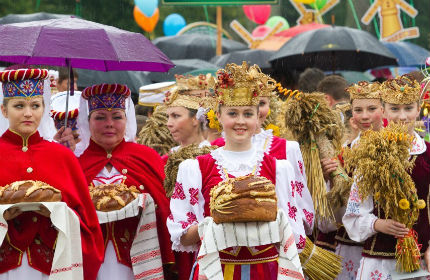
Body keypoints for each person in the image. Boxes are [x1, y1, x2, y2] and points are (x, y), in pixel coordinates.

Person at [167, 62, 309, 279]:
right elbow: (182, 237)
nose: (240, 121)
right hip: (216, 270)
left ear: (258, 117)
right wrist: (210, 224)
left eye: (248, 114)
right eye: (232, 113)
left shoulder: (279, 168)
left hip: (265, 271)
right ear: (219, 115)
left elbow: (294, 236)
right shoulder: (195, 168)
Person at [0, 68, 104, 280]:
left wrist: (58, 215)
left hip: (54, 268)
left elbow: (87, 222)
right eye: (19, 106)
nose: (28, 113)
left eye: (35, 106)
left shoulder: (62, 157)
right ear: (4, 110)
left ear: (44, 109)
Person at [76, 83, 175, 280]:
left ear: (127, 120)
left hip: (140, 256)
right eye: (100, 117)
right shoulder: (76, 164)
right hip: (91, 257)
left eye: (117, 117)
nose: (109, 124)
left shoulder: (146, 158)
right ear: (88, 122)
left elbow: (165, 207)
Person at [343, 75, 430, 279]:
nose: (401, 117)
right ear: (383, 110)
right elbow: (354, 210)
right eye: (394, 109)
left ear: (419, 109)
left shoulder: (427, 153)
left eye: (408, 108)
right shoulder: (369, 152)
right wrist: (377, 224)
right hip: (379, 259)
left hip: (422, 257)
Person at [165, 74, 214, 154]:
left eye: (176, 116)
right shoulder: (169, 156)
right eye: (168, 117)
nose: (168, 124)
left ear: (195, 119)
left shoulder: (212, 156)